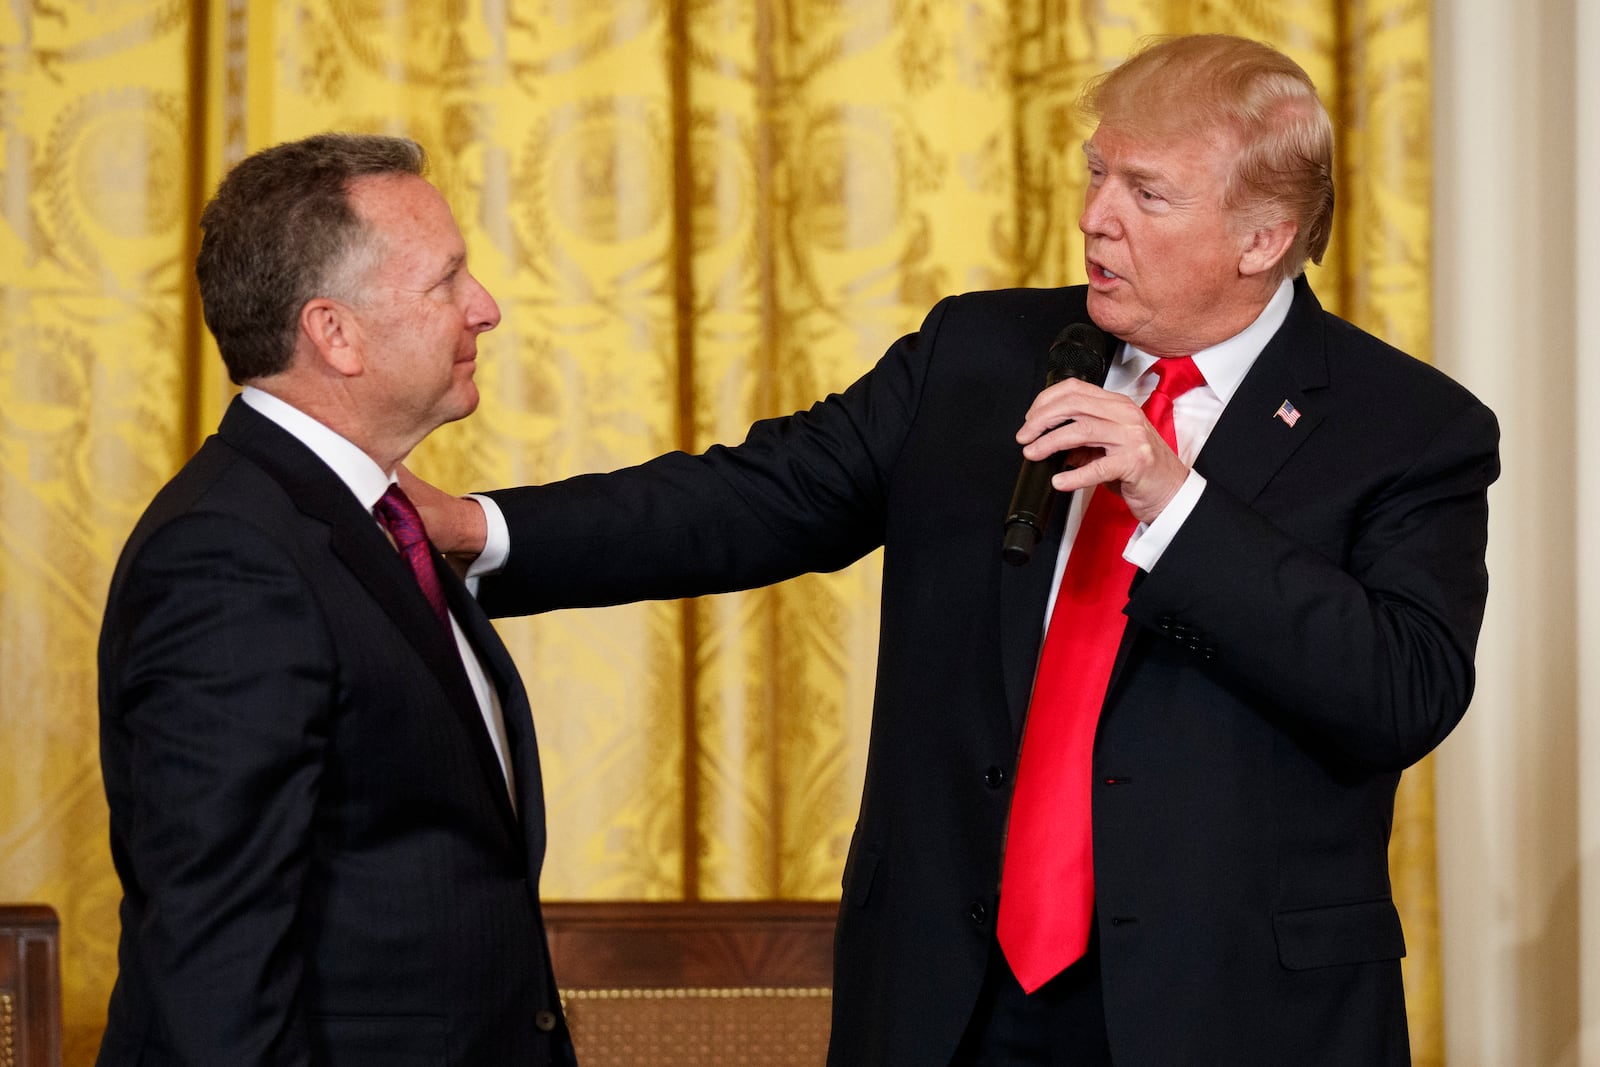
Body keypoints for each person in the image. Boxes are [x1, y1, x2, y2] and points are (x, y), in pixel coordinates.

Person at [414, 34, 1499, 1065]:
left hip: (1227, 1008)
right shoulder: (980, 354)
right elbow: (754, 496)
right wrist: (480, 529)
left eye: (1145, 193)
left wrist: (1175, 503)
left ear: (1261, 239)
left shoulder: (1404, 426)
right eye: (1094, 175)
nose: (1094, 220)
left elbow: (1402, 689)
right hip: (952, 996)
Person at [96, 133, 575, 1066]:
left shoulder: (373, 521)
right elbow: (217, 960)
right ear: (334, 332)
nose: (486, 308)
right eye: (446, 281)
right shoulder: (227, 557)